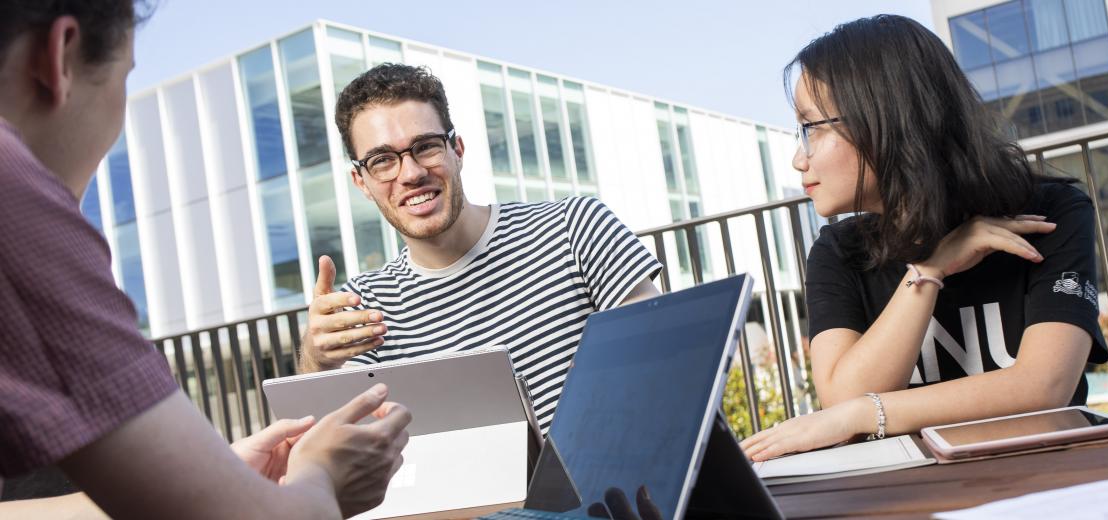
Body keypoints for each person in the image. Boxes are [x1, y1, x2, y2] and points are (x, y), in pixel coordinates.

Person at [0, 1, 411, 517]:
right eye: (124, 77)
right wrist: (320, 480)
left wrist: (218, 479)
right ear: (60, 57)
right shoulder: (15, 202)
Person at [741, 14, 1108, 461]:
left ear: (884, 119)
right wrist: (928, 271)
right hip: (909, 488)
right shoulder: (839, 251)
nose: (800, 158)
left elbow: (1045, 385)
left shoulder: (1048, 211)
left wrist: (863, 415)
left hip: (1047, 473)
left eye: (813, 127)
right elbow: (843, 395)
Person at [300, 63, 662, 430]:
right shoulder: (366, 305)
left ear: (456, 149)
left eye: (425, 147)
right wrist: (317, 361)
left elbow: (668, 356)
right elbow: (325, 444)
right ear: (361, 181)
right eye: (382, 161)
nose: (410, 174)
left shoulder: (574, 227)